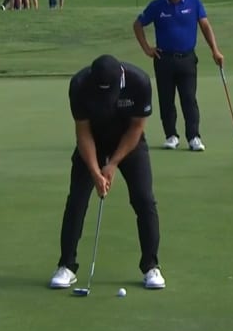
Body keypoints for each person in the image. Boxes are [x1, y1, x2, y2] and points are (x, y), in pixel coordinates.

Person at [49, 54, 166, 290]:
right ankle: (67, 266)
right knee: (77, 201)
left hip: (128, 142)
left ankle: (151, 267)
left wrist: (112, 164)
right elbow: (83, 133)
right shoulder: (80, 85)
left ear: (120, 79)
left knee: (144, 200)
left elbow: (136, 128)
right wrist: (95, 171)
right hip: (93, 140)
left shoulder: (139, 82)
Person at [133, 0, 224, 152]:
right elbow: (138, 24)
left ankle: (194, 137)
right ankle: (171, 135)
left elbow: (205, 26)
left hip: (187, 59)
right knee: (166, 100)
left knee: (189, 99)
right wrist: (147, 49)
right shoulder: (157, 6)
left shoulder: (194, 2)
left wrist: (215, 50)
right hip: (163, 59)